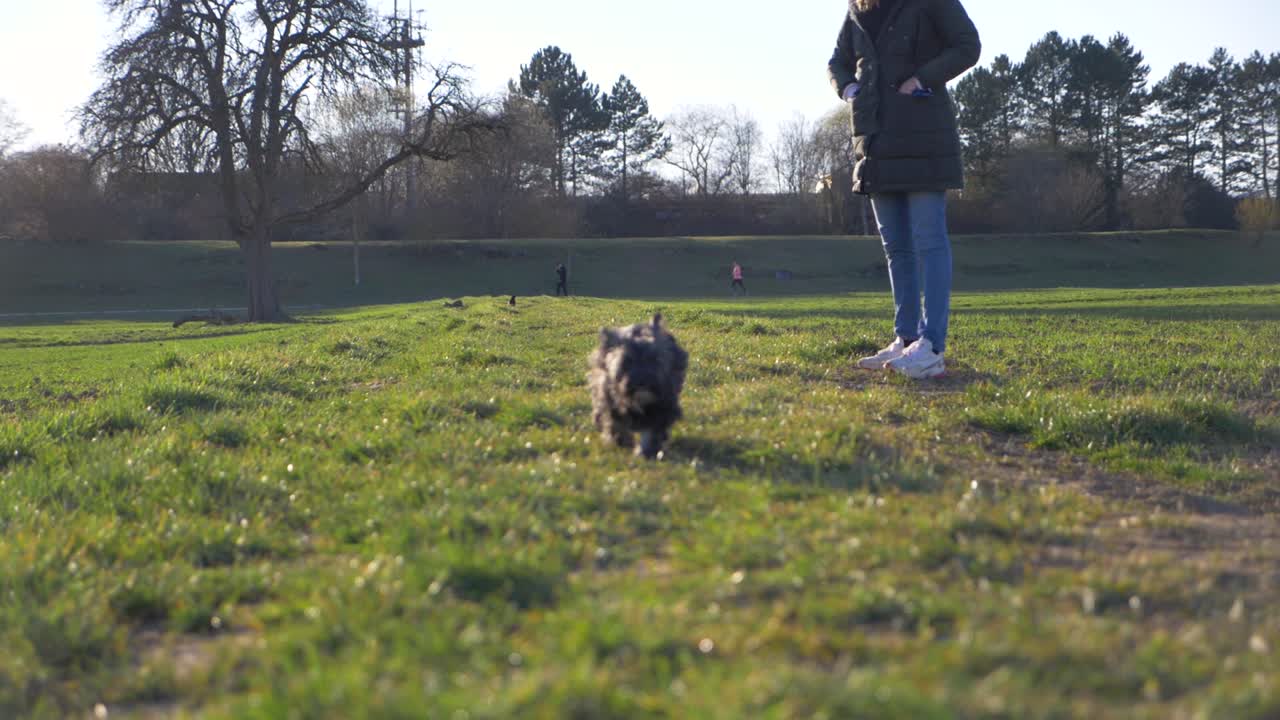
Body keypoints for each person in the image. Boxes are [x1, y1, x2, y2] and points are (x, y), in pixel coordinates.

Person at [828, 0, 980, 378]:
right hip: (876, 143)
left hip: (924, 138)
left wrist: (922, 79)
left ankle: (931, 348)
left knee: (929, 241)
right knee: (897, 248)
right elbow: (837, 62)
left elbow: (968, 45)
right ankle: (906, 338)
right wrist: (848, 89)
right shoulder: (856, 10)